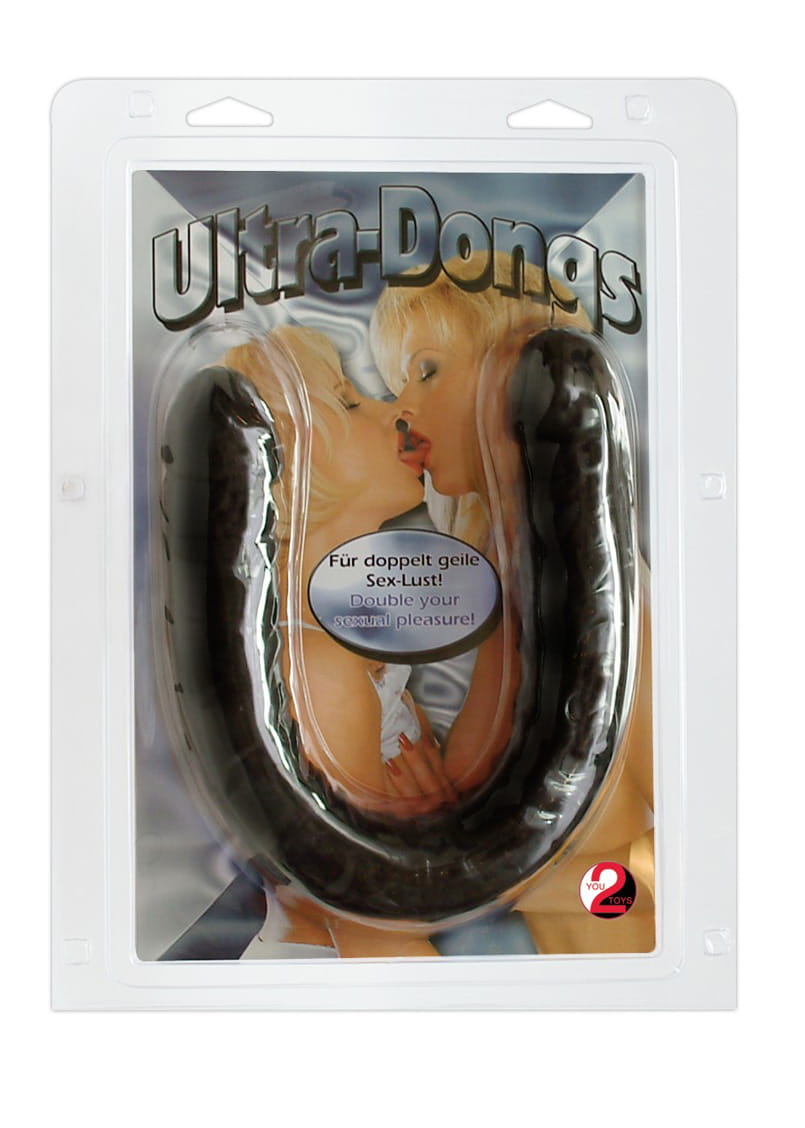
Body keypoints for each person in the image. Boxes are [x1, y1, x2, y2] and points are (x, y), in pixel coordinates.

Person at [369, 253, 655, 953]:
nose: (402, 408)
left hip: (628, 980)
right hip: (559, 987)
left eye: (427, 370)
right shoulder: (508, 573)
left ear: (518, 369)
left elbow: (723, 838)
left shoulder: (604, 595)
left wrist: (529, 877)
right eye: (398, 382)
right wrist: (449, 837)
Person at [224, 326, 455, 817]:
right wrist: (433, 824)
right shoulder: (323, 670)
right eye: (349, 403)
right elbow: (346, 864)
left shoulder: (338, 643)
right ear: (289, 462)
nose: (393, 412)